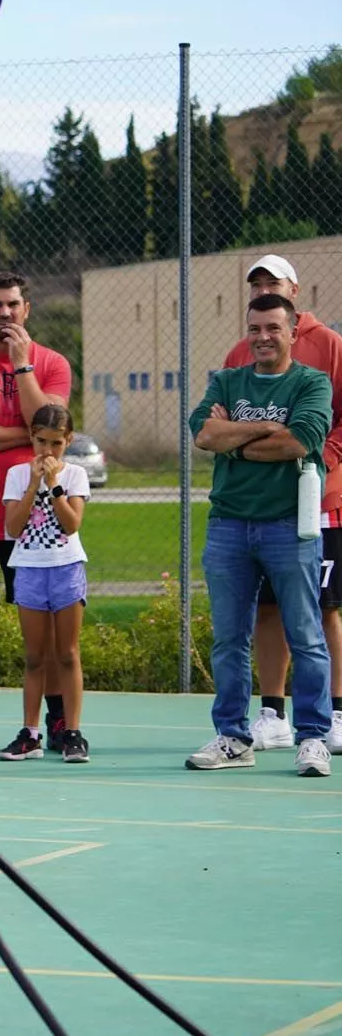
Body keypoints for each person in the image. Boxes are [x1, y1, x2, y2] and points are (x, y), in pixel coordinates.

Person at [187, 293, 334, 777]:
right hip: (228, 524)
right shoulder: (228, 380)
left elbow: (302, 440)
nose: (263, 337)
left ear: (293, 332)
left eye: (273, 328)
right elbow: (204, 434)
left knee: (306, 633)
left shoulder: (311, 382)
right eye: (255, 329)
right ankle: (233, 735)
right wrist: (266, 426)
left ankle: (312, 738)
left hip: (289, 526)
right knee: (230, 638)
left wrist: (239, 438)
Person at [221, 255, 342, 755]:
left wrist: (324, 462)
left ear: (295, 290)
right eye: (256, 284)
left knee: (323, 609)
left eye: (273, 282)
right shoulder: (238, 354)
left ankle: (334, 713)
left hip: (320, 499)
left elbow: (329, 426)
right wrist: (251, 447)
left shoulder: (329, 345)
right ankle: (272, 712)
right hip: (258, 504)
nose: (264, 289)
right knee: (266, 609)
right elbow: (216, 424)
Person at [0, 273, 73, 621]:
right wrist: (31, 435)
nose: (5, 312)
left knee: (38, 626)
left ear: (26, 309)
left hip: (31, 515)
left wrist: (22, 364)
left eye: (13, 304)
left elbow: (51, 429)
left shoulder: (52, 364)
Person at [0, 406, 92, 763]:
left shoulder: (76, 475)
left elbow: (71, 524)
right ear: (32, 438)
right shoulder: (18, 474)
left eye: (56, 443)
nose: (47, 452)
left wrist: (54, 485)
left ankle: (73, 732)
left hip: (65, 569)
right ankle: (30, 733)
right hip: (30, 570)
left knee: (66, 654)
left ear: (68, 441)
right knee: (35, 657)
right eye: (40, 442)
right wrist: (34, 482)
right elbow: (14, 528)